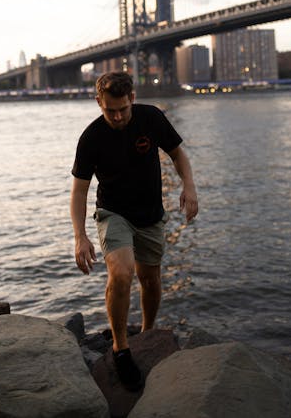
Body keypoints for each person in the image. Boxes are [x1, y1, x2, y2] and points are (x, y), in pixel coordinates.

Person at [70, 71, 198, 391]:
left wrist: (189, 187)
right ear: (99, 102)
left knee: (151, 278)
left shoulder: (151, 117)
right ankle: (121, 346)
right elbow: (79, 191)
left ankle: (148, 332)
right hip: (113, 213)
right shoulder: (91, 138)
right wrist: (80, 236)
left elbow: (178, 154)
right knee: (123, 272)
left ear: (133, 98)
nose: (117, 116)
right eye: (109, 110)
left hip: (150, 215)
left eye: (123, 109)